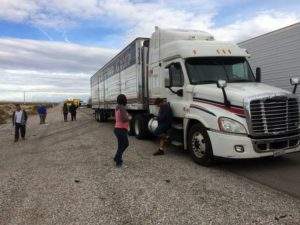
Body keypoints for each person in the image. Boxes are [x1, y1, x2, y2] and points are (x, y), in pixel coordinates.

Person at [114, 94, 132, 167]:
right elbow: (124, 119)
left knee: (120, 145)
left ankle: (116, 158)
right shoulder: (122, 107)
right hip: (121, 129)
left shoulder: (117, 107)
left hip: (117, 129)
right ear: (124, 100)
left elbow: (121, 117)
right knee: (125, 144)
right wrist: (130, 118)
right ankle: (119, 162)